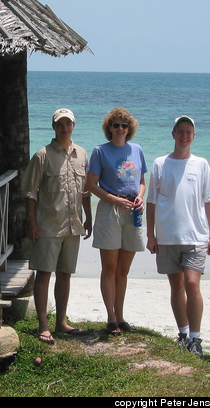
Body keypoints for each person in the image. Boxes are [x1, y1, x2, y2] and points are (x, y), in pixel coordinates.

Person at [146, 115, 210, 358]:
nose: (184, 136)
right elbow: (152, 202)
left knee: (192, 284)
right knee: (176, 286)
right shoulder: (159, 163)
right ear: (173, 134)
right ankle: (183, 333)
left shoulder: (202, 164)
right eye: (181, 131)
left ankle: (196, 338)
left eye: (189, 132)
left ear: (194, 136)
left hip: (196, 236)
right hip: (166, 236)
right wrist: (151, 235)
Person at [21, 108, 93, 345]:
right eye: (60, 124)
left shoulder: (81, 154)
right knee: (44, 274)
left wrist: (88, 217)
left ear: (74, 125)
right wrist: (32, 222)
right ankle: (43, 325)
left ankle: (61, 322)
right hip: (48, 225)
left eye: (68, 124)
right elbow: (30, 192)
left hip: (73, 226)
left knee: (65, 275)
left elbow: (85, 192)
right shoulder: (42, 155)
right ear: (54, 127)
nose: (64, 128)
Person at [86, 108, 147, 335]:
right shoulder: (100, 151)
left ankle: (121, 316)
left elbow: (142, 181)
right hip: (110, 210)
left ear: (129, 129)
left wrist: (140, 196)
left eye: (124, 125)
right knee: (109, 268)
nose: (120, 129)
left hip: (133, 211)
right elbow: (91, 185)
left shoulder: (137, 150)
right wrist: (114, 200)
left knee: (123, 269)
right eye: (116, 125)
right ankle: (111, 318)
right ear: (109, 128)